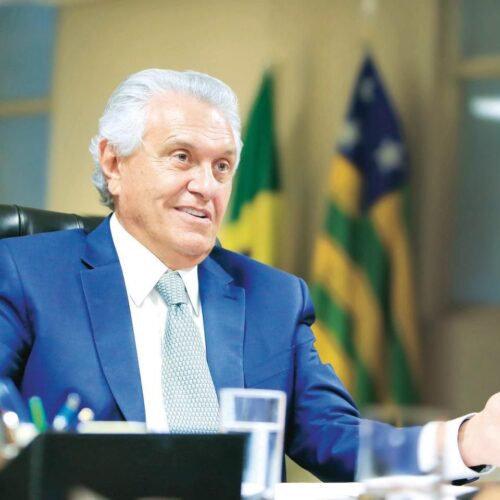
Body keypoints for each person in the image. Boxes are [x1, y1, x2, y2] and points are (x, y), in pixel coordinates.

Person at [0, 68, 498, 482]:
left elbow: (338, 440)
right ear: (114, 163)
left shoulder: (273, 298)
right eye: (182, 157)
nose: (206, 186)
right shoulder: (27, 274)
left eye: (222, 167)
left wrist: (469, 440)